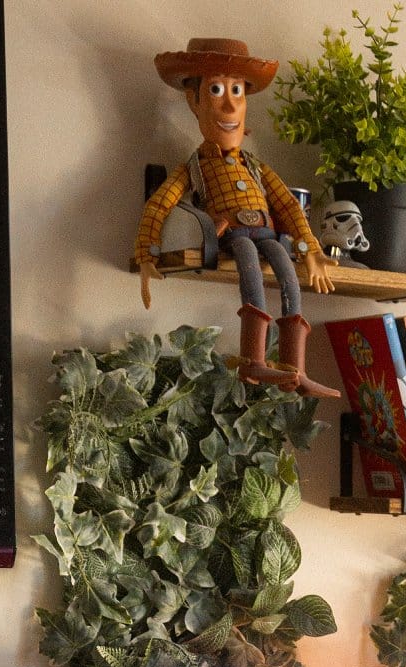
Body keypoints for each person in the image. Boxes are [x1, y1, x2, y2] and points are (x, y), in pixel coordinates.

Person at [134, 34, 338, 398]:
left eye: (237, 92)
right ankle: (253, 360)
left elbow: (289, 205)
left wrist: (309, 247)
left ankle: (296, 367)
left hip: (268, 234)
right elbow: (159, 203)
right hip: (235, 235)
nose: (229, 106)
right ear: (193, 101)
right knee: (250, 274)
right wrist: (147, 254)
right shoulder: (194, 167)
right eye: (215, 90)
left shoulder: (257, 167)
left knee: (288, 277)